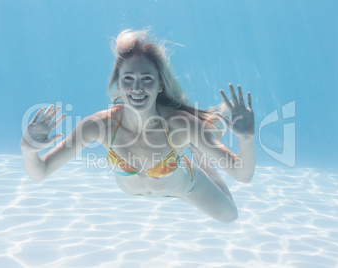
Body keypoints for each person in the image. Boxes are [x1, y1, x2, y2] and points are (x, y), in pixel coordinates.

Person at [21, 29, 255, 223]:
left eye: (147, 79)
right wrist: (28, 149)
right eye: (128, 79)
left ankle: (198, 158)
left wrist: (246, 139)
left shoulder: (181, 126)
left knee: (230, 216)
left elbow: (241, 174)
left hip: (184, 187)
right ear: (118, 84)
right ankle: (192, 151)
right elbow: (39, 172)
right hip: (146, 187)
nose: (137, 88)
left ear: (160, 85)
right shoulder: (98, 125)